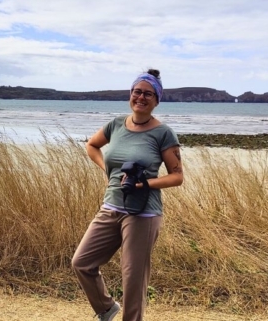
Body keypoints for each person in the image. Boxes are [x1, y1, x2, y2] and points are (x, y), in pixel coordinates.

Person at [72, 69, 184, 321]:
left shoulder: (163, 133)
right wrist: (108, 170)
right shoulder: (116, 124)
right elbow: (91, 145)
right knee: (82, 262)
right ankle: (106, 308)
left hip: (143, 213)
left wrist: (143, 184)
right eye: (137, 92)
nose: (140, 97)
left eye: (148, 94)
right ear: (130, 95)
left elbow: (177, 176)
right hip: (111, 206)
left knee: (133, 280)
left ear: (156, 100)